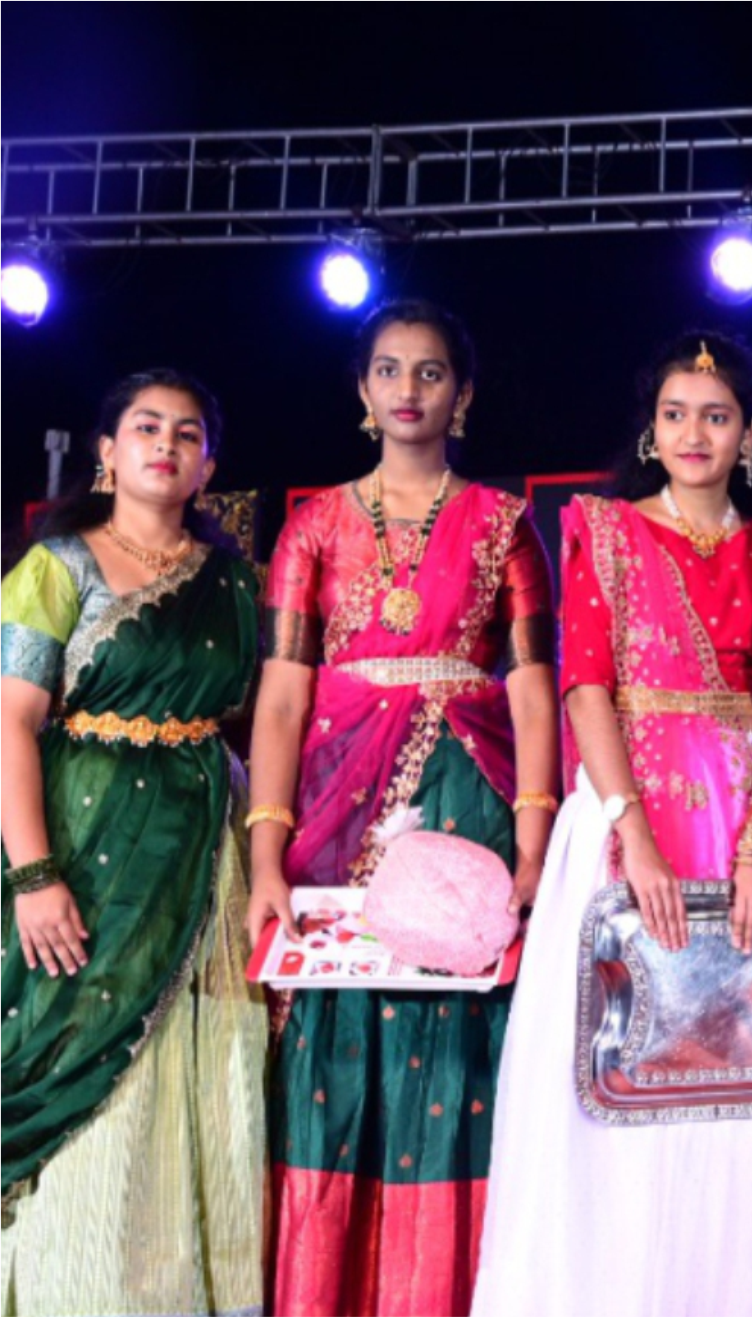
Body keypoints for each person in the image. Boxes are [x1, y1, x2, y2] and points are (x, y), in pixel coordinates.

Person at [471, 331, 752, 1317]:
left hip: (739, 829)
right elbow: (586, 689)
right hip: (627, 817)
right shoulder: (606, 532)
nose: (693, 433)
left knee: (738, 1069)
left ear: (749, 434)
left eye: (715, 416)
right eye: (674, 414)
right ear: (650, 430)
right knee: (616, 1060)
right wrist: (631, 835)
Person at [244, 300, 560, 1317]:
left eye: (430, 372)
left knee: (454, 1038)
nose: (408, 389)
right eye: (389, 369)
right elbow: (282, 697)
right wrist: (265, 858)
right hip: (335, 812)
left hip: (467, 799)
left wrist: (535, 843)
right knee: (331, 1037)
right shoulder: (312, 526)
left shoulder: (505, 524)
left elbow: (532, 691)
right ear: (362, 389)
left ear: (461, 394)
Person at [0, 371, 266, 1316]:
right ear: (107, 451)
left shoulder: (235, 583)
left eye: (187, 433)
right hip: (83, 845)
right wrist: (34, 875)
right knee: (78, 1047)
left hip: (206, 853)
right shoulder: (55, 568)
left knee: (204, 1054)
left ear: (208, 465)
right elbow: (10, 723)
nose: (166, 444)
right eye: (146, 427)